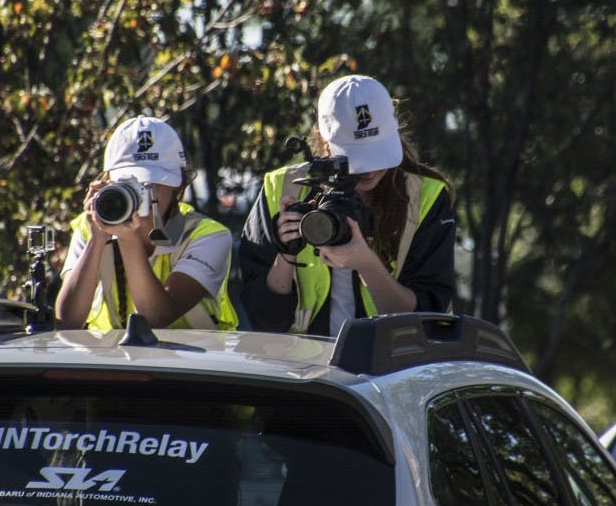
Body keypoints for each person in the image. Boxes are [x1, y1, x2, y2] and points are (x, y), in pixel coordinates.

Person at [239, 74, 455, 335]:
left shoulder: (426, 197)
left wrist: (367, 264)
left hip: (392, 368)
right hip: (303, 367)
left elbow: (427, 323)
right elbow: (264, 321)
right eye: (355, 155)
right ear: (324, 139)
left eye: (377, 152)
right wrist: (286, 255)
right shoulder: (282, 189)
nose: (369, 170)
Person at [56, 115, 239, 331]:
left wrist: (127, 238)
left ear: (178, 186)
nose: (140, 194)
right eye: (129, 184)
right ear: (107, 182)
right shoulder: (90, 227)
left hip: (193, 362)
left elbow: (156, 318)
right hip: (112, 362)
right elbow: (66, 322)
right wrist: (97, 240)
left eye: (151, 185)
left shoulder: (208, 236)